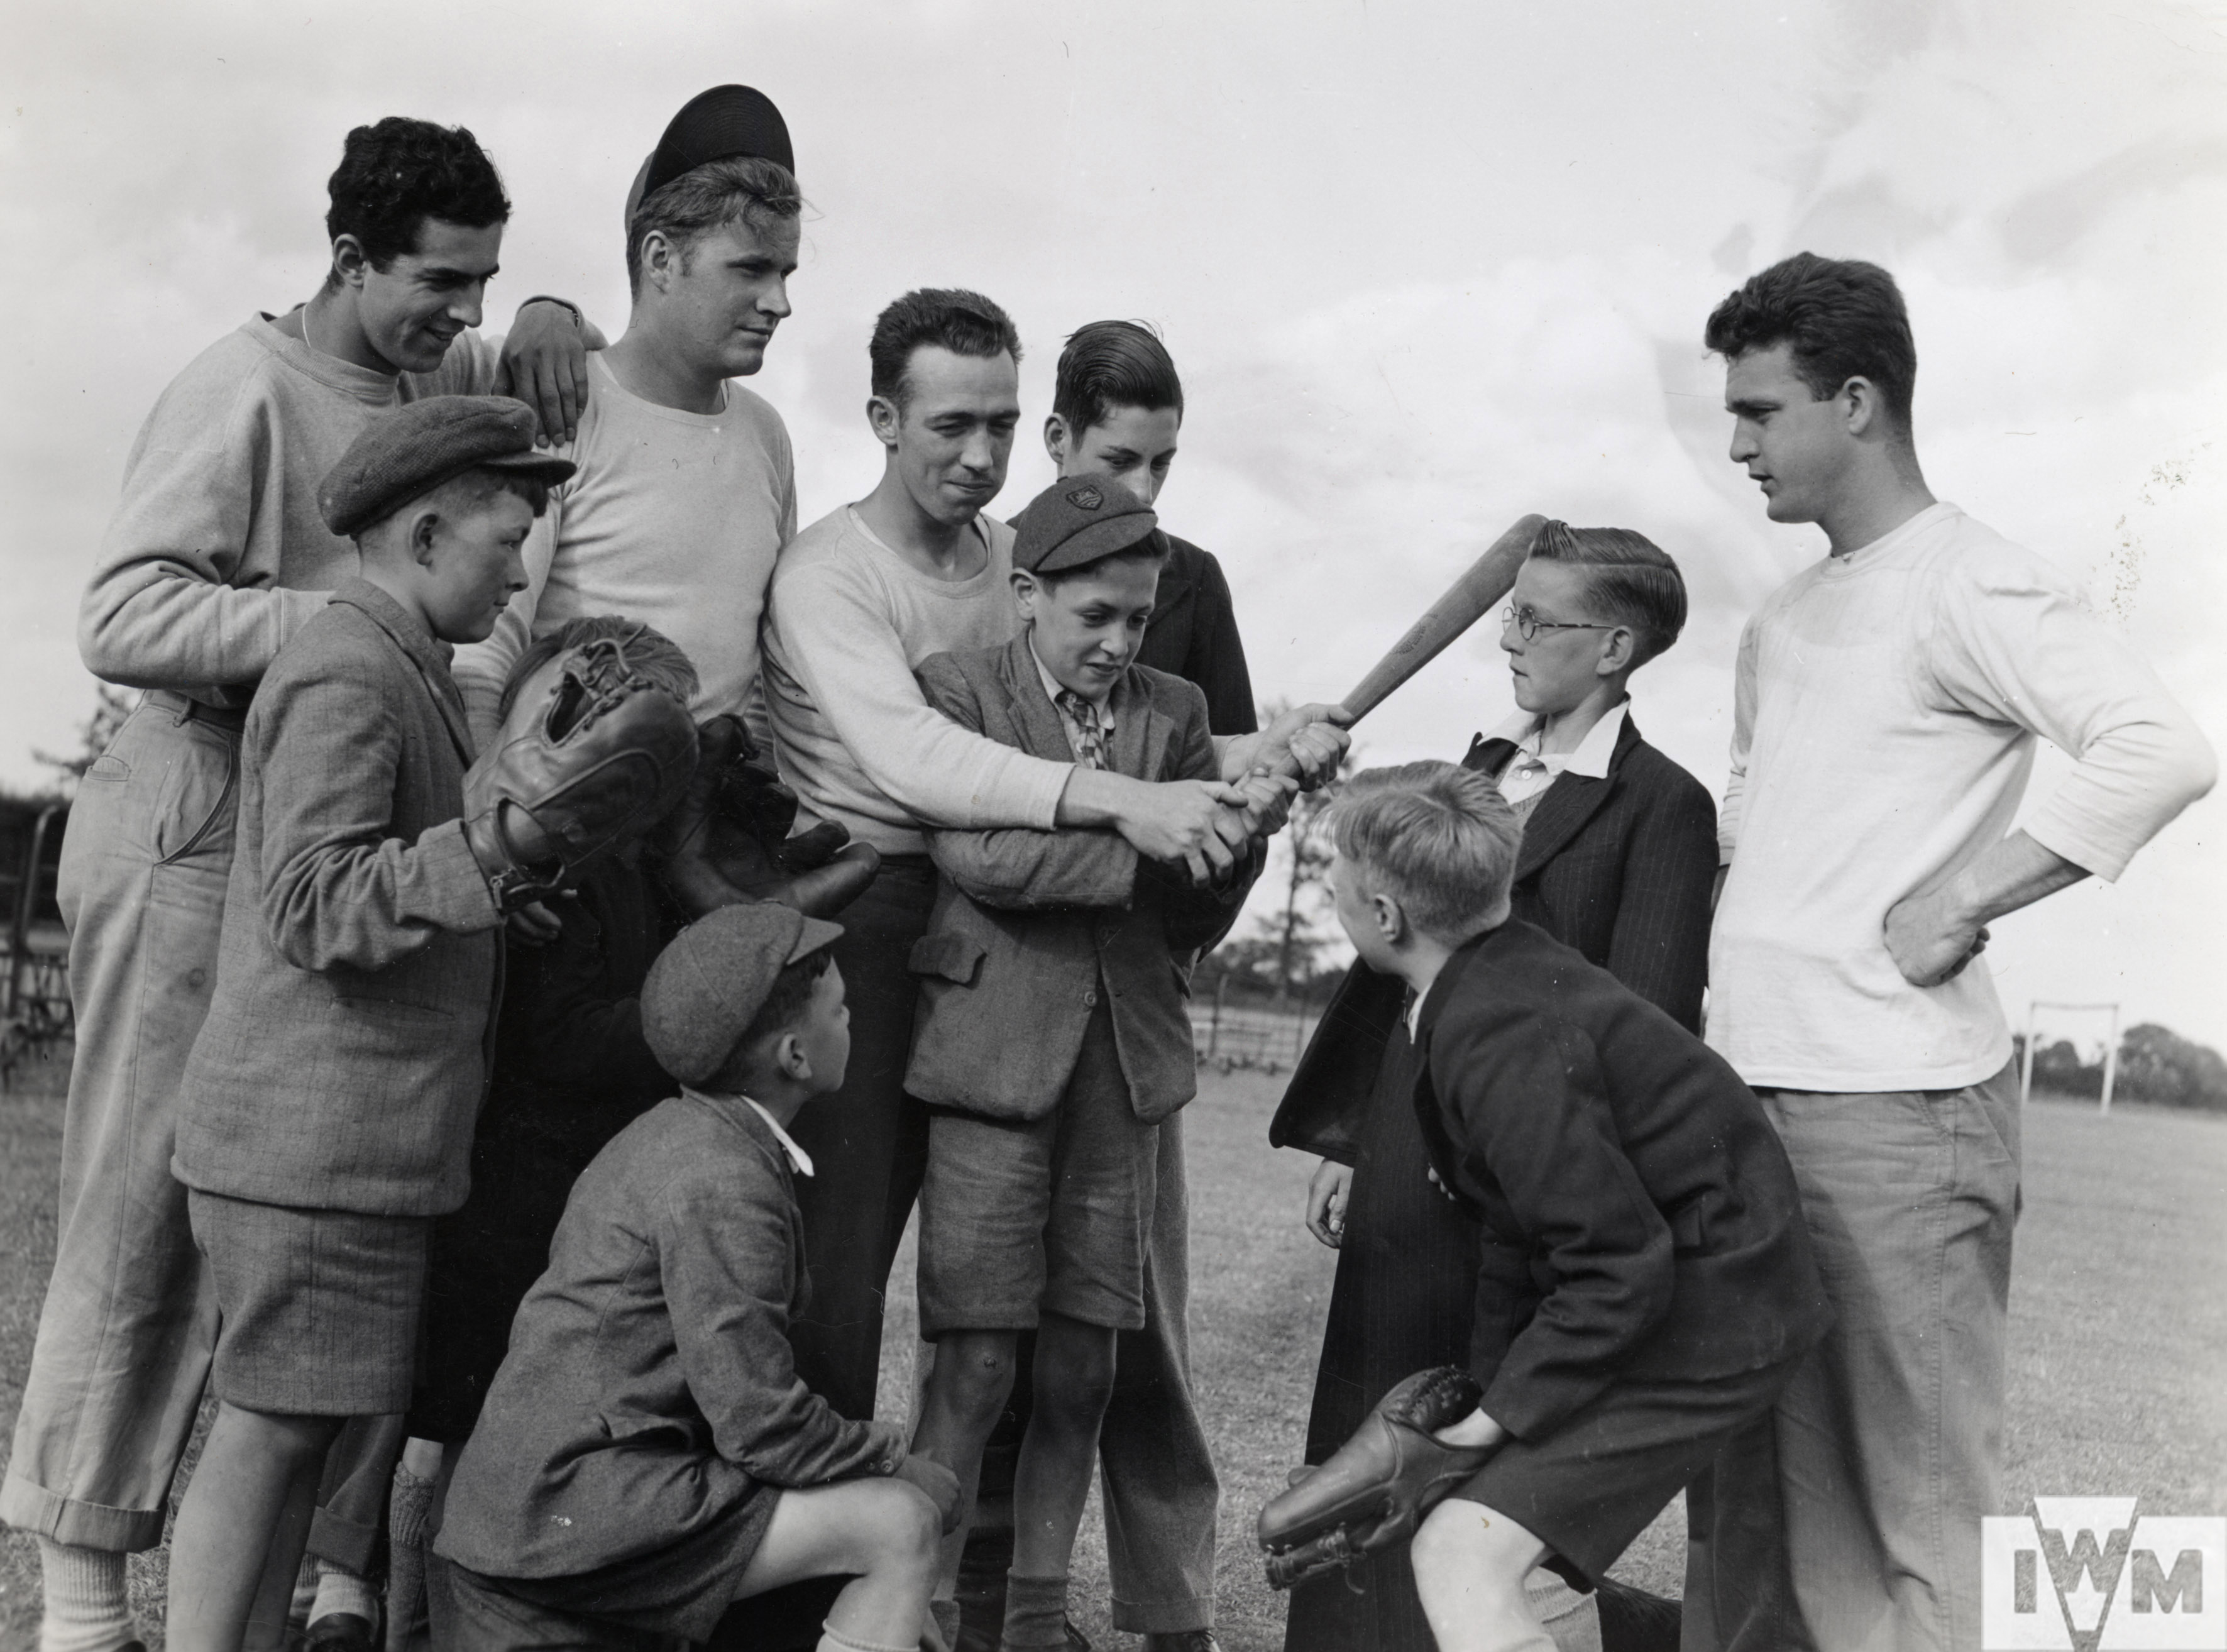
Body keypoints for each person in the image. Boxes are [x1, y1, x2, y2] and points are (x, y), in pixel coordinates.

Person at [0, 117, 591, 1652]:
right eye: (440, 283)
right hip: (197, 802)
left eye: (486, 284)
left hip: (330, 795)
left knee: (266, 1241)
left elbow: (536, 381)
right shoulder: (243, 383)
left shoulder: (429, 383)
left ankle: (241, 1603)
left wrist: (544, 314)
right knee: (140, 1213)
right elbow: (120, 613)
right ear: (346, 258)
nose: (464, 314)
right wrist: (340, 624)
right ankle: (81, 1608)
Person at [1700, 253, 2215, 1651]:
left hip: (1898, 1111)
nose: (1736, 446)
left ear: (1856, 402)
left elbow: (2159, 748)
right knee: (1749, 1520)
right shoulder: (1784, 615)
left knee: (1914, 1528)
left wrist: (1963, 899)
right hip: (1748, 1096)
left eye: (1758, 411)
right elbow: (1753, 826)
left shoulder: (1969, 579)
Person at [757, 288, 1338, 1437]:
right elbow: (919, 760)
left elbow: (1116, 722)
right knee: (841, 1260)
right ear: (882, 419)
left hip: (1008, 941)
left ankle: (966, 1537)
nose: (981, 458)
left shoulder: (1019, 558)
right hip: (859, 916)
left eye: (1001, 426)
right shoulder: (828, 570)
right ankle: (816, 1529)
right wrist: (1128, 805)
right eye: (950, 426)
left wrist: (1269, 746)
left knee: (1013, 1305)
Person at [160, 397, 578, 1650]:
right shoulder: (349, 668)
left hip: (351, 1152)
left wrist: (496, 895)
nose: (519, 575)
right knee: (269, 1429)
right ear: (427, 532)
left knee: (298, 1433)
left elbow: (381, 871)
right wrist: (492, 852)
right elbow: (311, 898)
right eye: (506, 541)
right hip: (309, 1152)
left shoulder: (399, 662)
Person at [1271, 522, 1713, 1652]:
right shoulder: (1477, 770)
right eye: (1507, 613)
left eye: (1532, 620)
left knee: (1454, 1453)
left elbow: (1644, 1020)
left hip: (1510, 1185)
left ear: (1613, 648)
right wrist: (1352, 1136)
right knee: (1359, 1438)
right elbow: (1395, 955)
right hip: (1399, 1155)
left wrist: (1517, 1159)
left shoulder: (1659, 803)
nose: (1505, 639)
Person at [1319, 762, 1831, 1652]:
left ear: (1386, 916)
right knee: (1474, 1534)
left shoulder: (1495, 1031)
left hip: (1713, 1312)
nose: (1332, 895)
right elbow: (1520, 1233)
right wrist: (1487, 1415)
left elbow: (1614, 1266)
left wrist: (1485, 1427)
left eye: (1336, 885)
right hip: (1687, 1290)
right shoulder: (1495, 975)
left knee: (1460, 1551)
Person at [959, 319, 1290, 1652]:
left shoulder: (1187, 591)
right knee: (974, 1338)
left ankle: (1157, 1609)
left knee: (1121, 1335)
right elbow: (974, 817)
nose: (1144, 494)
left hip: (1127, 1016)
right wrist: (1139, 840)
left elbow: (1216, 797)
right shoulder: (977, 578)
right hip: (985, 1017)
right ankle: (965, 1595)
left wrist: (1236, 829)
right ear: (1054, 440)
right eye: (1117, 461)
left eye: (1164, 466)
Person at [433, 903, 961, 1652]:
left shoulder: (675, 1134)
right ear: (795, 1057)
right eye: (840, 1011)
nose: (853, 1023)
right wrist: (896, 1464)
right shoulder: (722, 1180)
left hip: (546, 1518)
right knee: (901, 1524)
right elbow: (761, 1425)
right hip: (558, 1534)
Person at [453, 84, 803, 747]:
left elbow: (761, 671)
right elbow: (482, 652)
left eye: (786, 273)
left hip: (715, 798)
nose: (779, 302)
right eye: (752, 270)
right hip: (565, 789)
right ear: (661, 260)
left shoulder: (766, 433)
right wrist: (489, 795)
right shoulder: (563, 401)